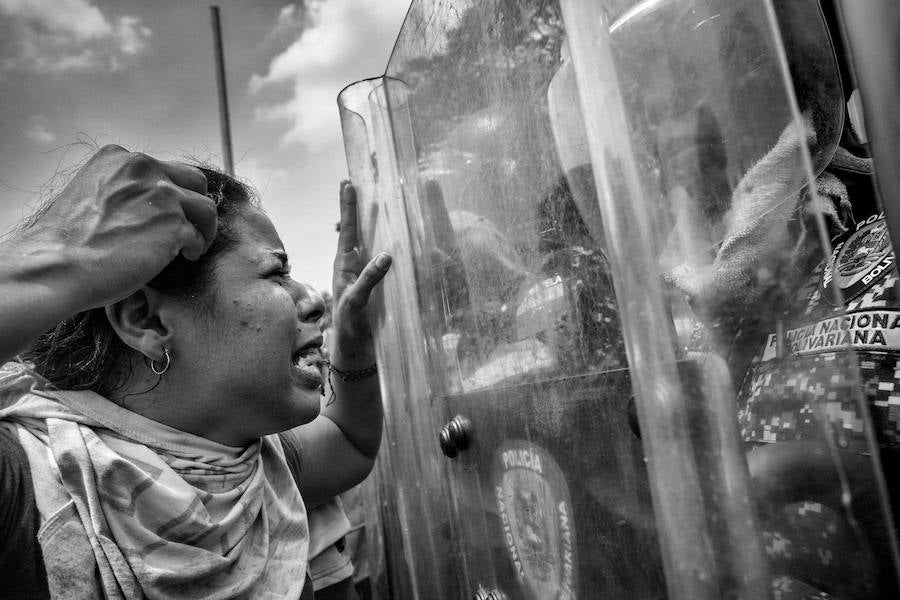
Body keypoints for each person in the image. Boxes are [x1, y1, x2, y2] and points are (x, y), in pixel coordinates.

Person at [0, 144, 392, 599]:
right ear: (146, 320)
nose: (312, 300)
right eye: (276, 273)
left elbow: (351, 442)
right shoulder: (22, 483)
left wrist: (352, 336)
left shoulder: (250, 464)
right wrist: (58, 254)